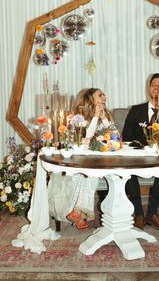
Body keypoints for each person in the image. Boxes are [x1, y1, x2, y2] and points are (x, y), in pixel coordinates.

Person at [48, 87, 113, 230]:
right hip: (83, 159)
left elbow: (115, 136)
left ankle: (77, 212)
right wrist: (95, 117)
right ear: (91, 100)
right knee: (87, 175)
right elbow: (86, 137)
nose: (104, 97)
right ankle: (79, 212)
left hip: (103, 160)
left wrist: (103, 118)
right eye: (100, 95)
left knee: (90, 174)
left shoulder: (106, 115)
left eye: (104, 95)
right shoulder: (79, 118)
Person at [122, 73, 159, 231]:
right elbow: (126, 138)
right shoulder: (136, 111)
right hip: (136, 156)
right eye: (153, 85)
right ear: (149, 88)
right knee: (127, 170)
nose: (156, 88)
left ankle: (152, 213)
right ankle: (138, 213)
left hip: (158, 158)